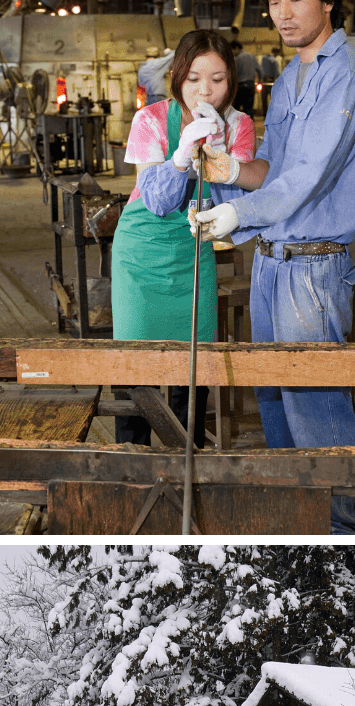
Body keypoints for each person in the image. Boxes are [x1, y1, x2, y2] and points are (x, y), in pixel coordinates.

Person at [194, 0, 355, 535]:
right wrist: (228, 175)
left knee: (316, 415)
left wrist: (241, 211)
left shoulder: (346, 75)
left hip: (312, 271)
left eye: (295, 0)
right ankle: (297, 531)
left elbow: (310, 177)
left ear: (326, 3)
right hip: (271, 266)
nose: (282, 12)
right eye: (273, 1)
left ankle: (343, 538)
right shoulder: (289, 78)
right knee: (275, 408)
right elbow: (273, 170)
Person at [111, 29, 255, 447]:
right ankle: (133, 464)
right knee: (135, 367)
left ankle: (184, 462)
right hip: (140, 257)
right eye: (193, 78)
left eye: (217, 79)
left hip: (194, 255)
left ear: (232, 81)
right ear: (176, 77)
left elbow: (236, 193)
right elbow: (155, 202)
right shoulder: (150, 120)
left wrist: (217, 153)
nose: (204, 91)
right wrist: (180, 157)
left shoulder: (239, 126)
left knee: (194, 369)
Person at [232, 41, 260, 117]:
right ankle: (250, 127)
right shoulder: (252, 56)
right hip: (251, 85)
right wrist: (260, 81)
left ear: (237, 48)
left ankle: (236, 128)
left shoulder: (237, 58)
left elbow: (235, 74)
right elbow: (260, 70)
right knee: (249, 109)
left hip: (241, 86)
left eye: (232, 50)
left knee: (235, 109)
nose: (232, 53)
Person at [259, 47, 282, 114]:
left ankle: (264, 114)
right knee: (274, 98)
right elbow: (276, 73)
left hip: (264, 80)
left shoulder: (264, 58)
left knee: (264, 98)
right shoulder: (273, 60)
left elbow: (261, 69)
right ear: (276, 53)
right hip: (271, 81)